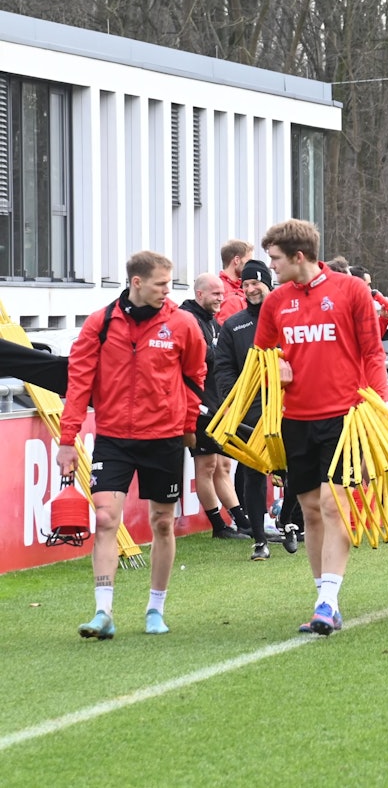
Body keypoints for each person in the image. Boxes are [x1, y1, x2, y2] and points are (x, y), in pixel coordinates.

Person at [58, 251, 207, 639]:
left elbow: (195, 377)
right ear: (136, 283)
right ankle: (103, 612)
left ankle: (155, 609)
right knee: (106, 518)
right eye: (160, 284)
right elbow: (78, 385)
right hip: (114, 439)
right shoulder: (100, 324)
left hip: (165, 438)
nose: (167, 292)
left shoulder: (182, 323)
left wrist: (189, 424)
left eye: (169, 284)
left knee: (161, 523)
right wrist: (67, 440)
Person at [253, 219, 387, 635]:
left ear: (298, 256)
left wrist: (376, 411)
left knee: (334, 505)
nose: (270, 267)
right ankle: (322, 599)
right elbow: (261, 355)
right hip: (296, 419)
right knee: (311, 509)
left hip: (345, 417)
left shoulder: (351, 291)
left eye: (274, 259)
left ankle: (328, 600)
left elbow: (373, 354)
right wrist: (278, 367)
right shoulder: (276, 303)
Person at [215, 259, 292, 558]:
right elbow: (223, 368)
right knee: (253, 474)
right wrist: (233, 400)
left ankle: (289, 522)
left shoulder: (287, 318)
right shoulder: (234, 326)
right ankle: (259, 538)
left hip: (289, 408)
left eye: (255, 283)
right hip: (251, 414)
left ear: (267, 283)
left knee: (293, 471)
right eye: (245, 284)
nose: (250, 289)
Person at [179, 273, 254, 544]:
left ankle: (241, 521)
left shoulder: (212, 322)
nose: (222, 298)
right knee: (207, 464)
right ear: (200, 294)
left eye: (223, 293)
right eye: (216, 294)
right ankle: (218, 524)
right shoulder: (188, 320)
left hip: (216, 403)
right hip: (197, 404)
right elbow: (200, 359)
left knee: (223, 463)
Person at [215, 239, 255, 325]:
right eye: (248, 262)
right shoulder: (224, 291)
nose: (250, 266)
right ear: (237, 260)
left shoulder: (240, 287)